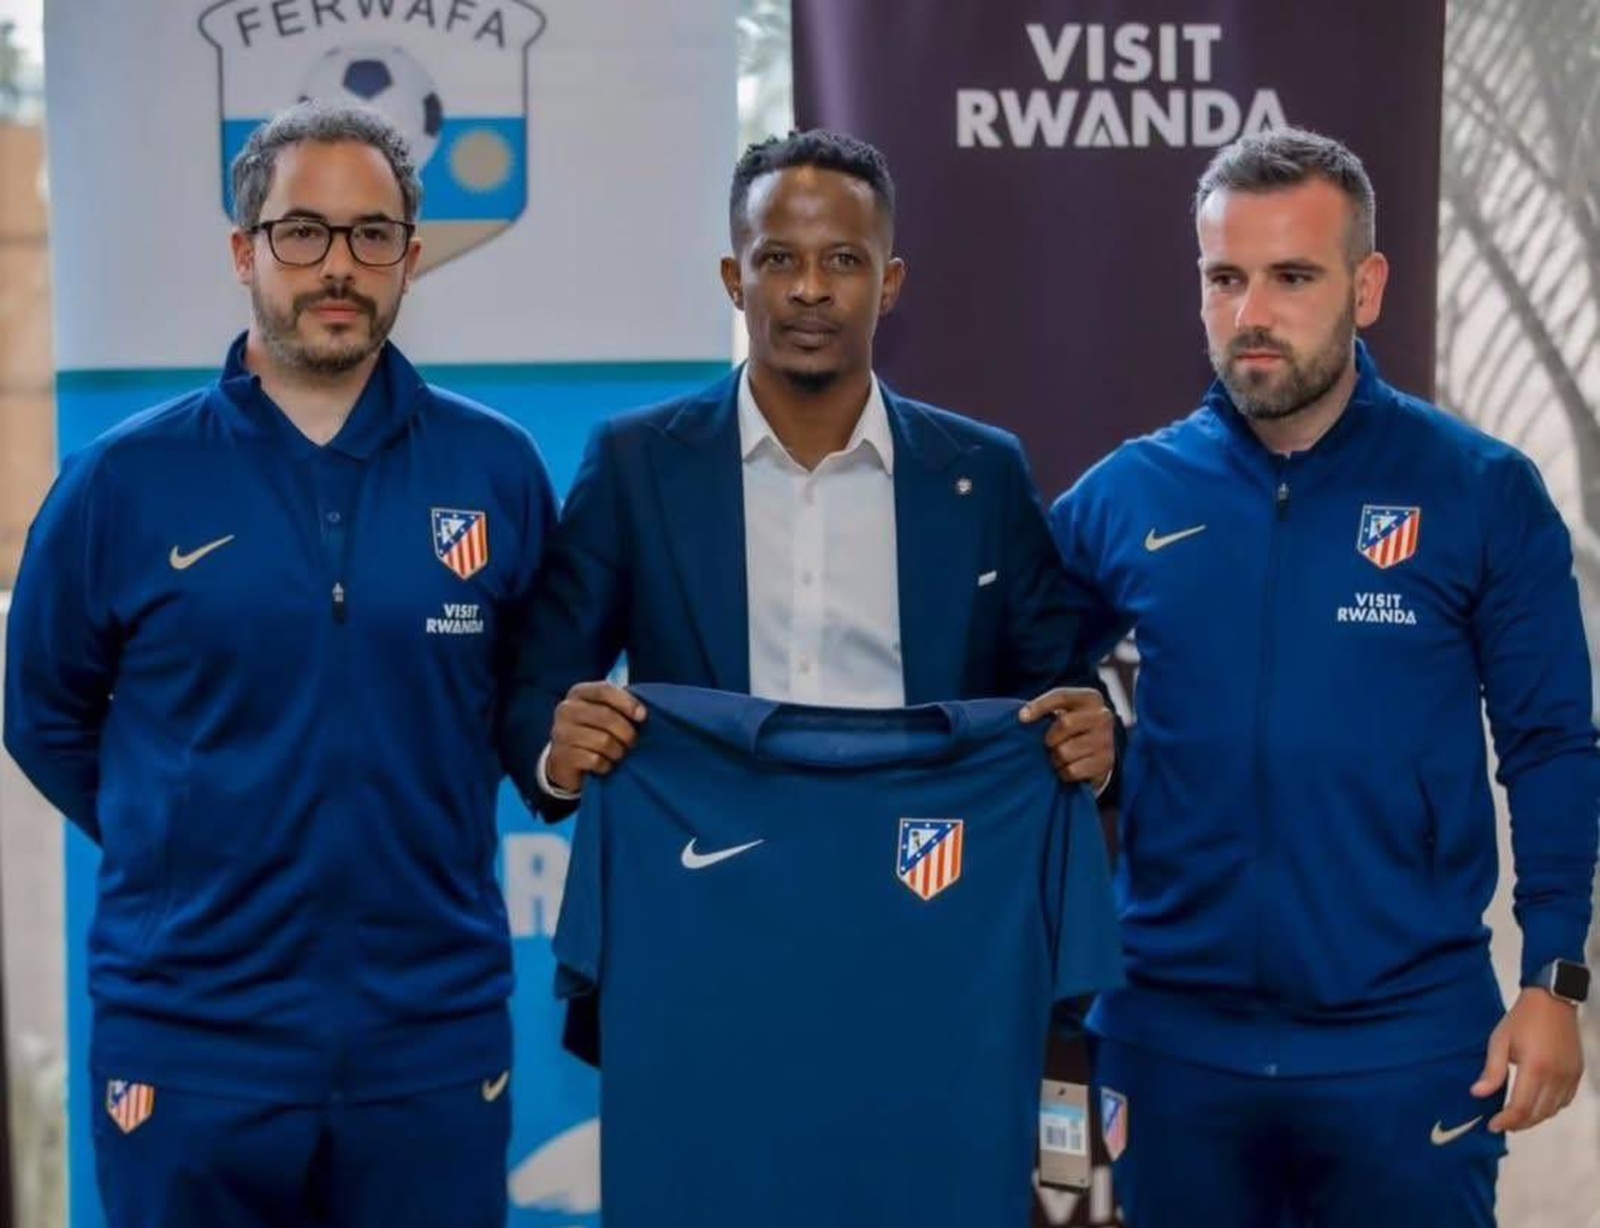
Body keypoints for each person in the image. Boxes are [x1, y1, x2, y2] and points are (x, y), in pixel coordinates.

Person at [3, 101, 556, 1228]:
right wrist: (179, 835)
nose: (337, 265)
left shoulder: (496, 470)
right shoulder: (121, 482)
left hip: (430, 1041)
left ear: (411, 257)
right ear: (243, 251)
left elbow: (526, 705)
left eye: (371, 234)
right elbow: (41, 713)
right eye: (302, 232)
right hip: (189, 1042)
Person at [1051, 126, 1599, 1228]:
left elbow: (1551, 745)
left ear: (1367, 286)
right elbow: (1004, 688)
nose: (1251, 312)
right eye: (1225, 278)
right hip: (1172, 1041)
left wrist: (1554, 977)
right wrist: (1090, 736)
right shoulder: (1128, 494)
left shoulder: (1480, 490)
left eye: (1292, 277)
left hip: (1407, 1041)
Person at [499, 129, 1114, 817]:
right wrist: (558, 754)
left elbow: (1064, 699)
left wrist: (1095, 746)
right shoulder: (635, 464)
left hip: (924, 867)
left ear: (889, 284)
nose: (810, 290)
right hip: (708, 864)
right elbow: (538, 691)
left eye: (844, 261)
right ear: (734, 279)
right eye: (779, 259)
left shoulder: (983, 475)